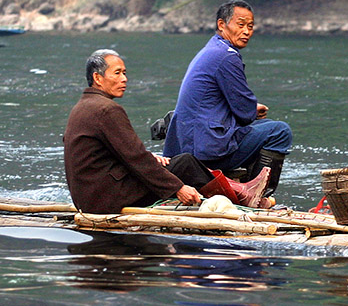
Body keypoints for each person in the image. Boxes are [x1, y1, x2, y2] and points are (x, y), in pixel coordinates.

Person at [64, 49, 271, 214]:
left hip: (90, 197)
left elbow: (111, 154)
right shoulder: (106, 110)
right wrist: (177, 188)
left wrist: (151, 158)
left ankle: (237, 191)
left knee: (174, 162)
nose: (124, 79)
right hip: (106, 200)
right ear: (97, 78)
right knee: (185, 164)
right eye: (117, 73)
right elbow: (135, 158)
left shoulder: (82, 107)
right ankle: (241, 199)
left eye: (125, 73)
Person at [163, 0, 292, 201]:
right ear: (222, 25)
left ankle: (244, 187)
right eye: (240, 25)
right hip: (207, 151)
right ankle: (257, 197)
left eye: (250, 26)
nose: (247, 31)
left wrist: (249, 109)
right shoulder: (227, 56)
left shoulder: (212, 49)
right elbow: (245, 112)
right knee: (280, 131)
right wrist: (253, 109)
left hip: (188, 145)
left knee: (265, 127)